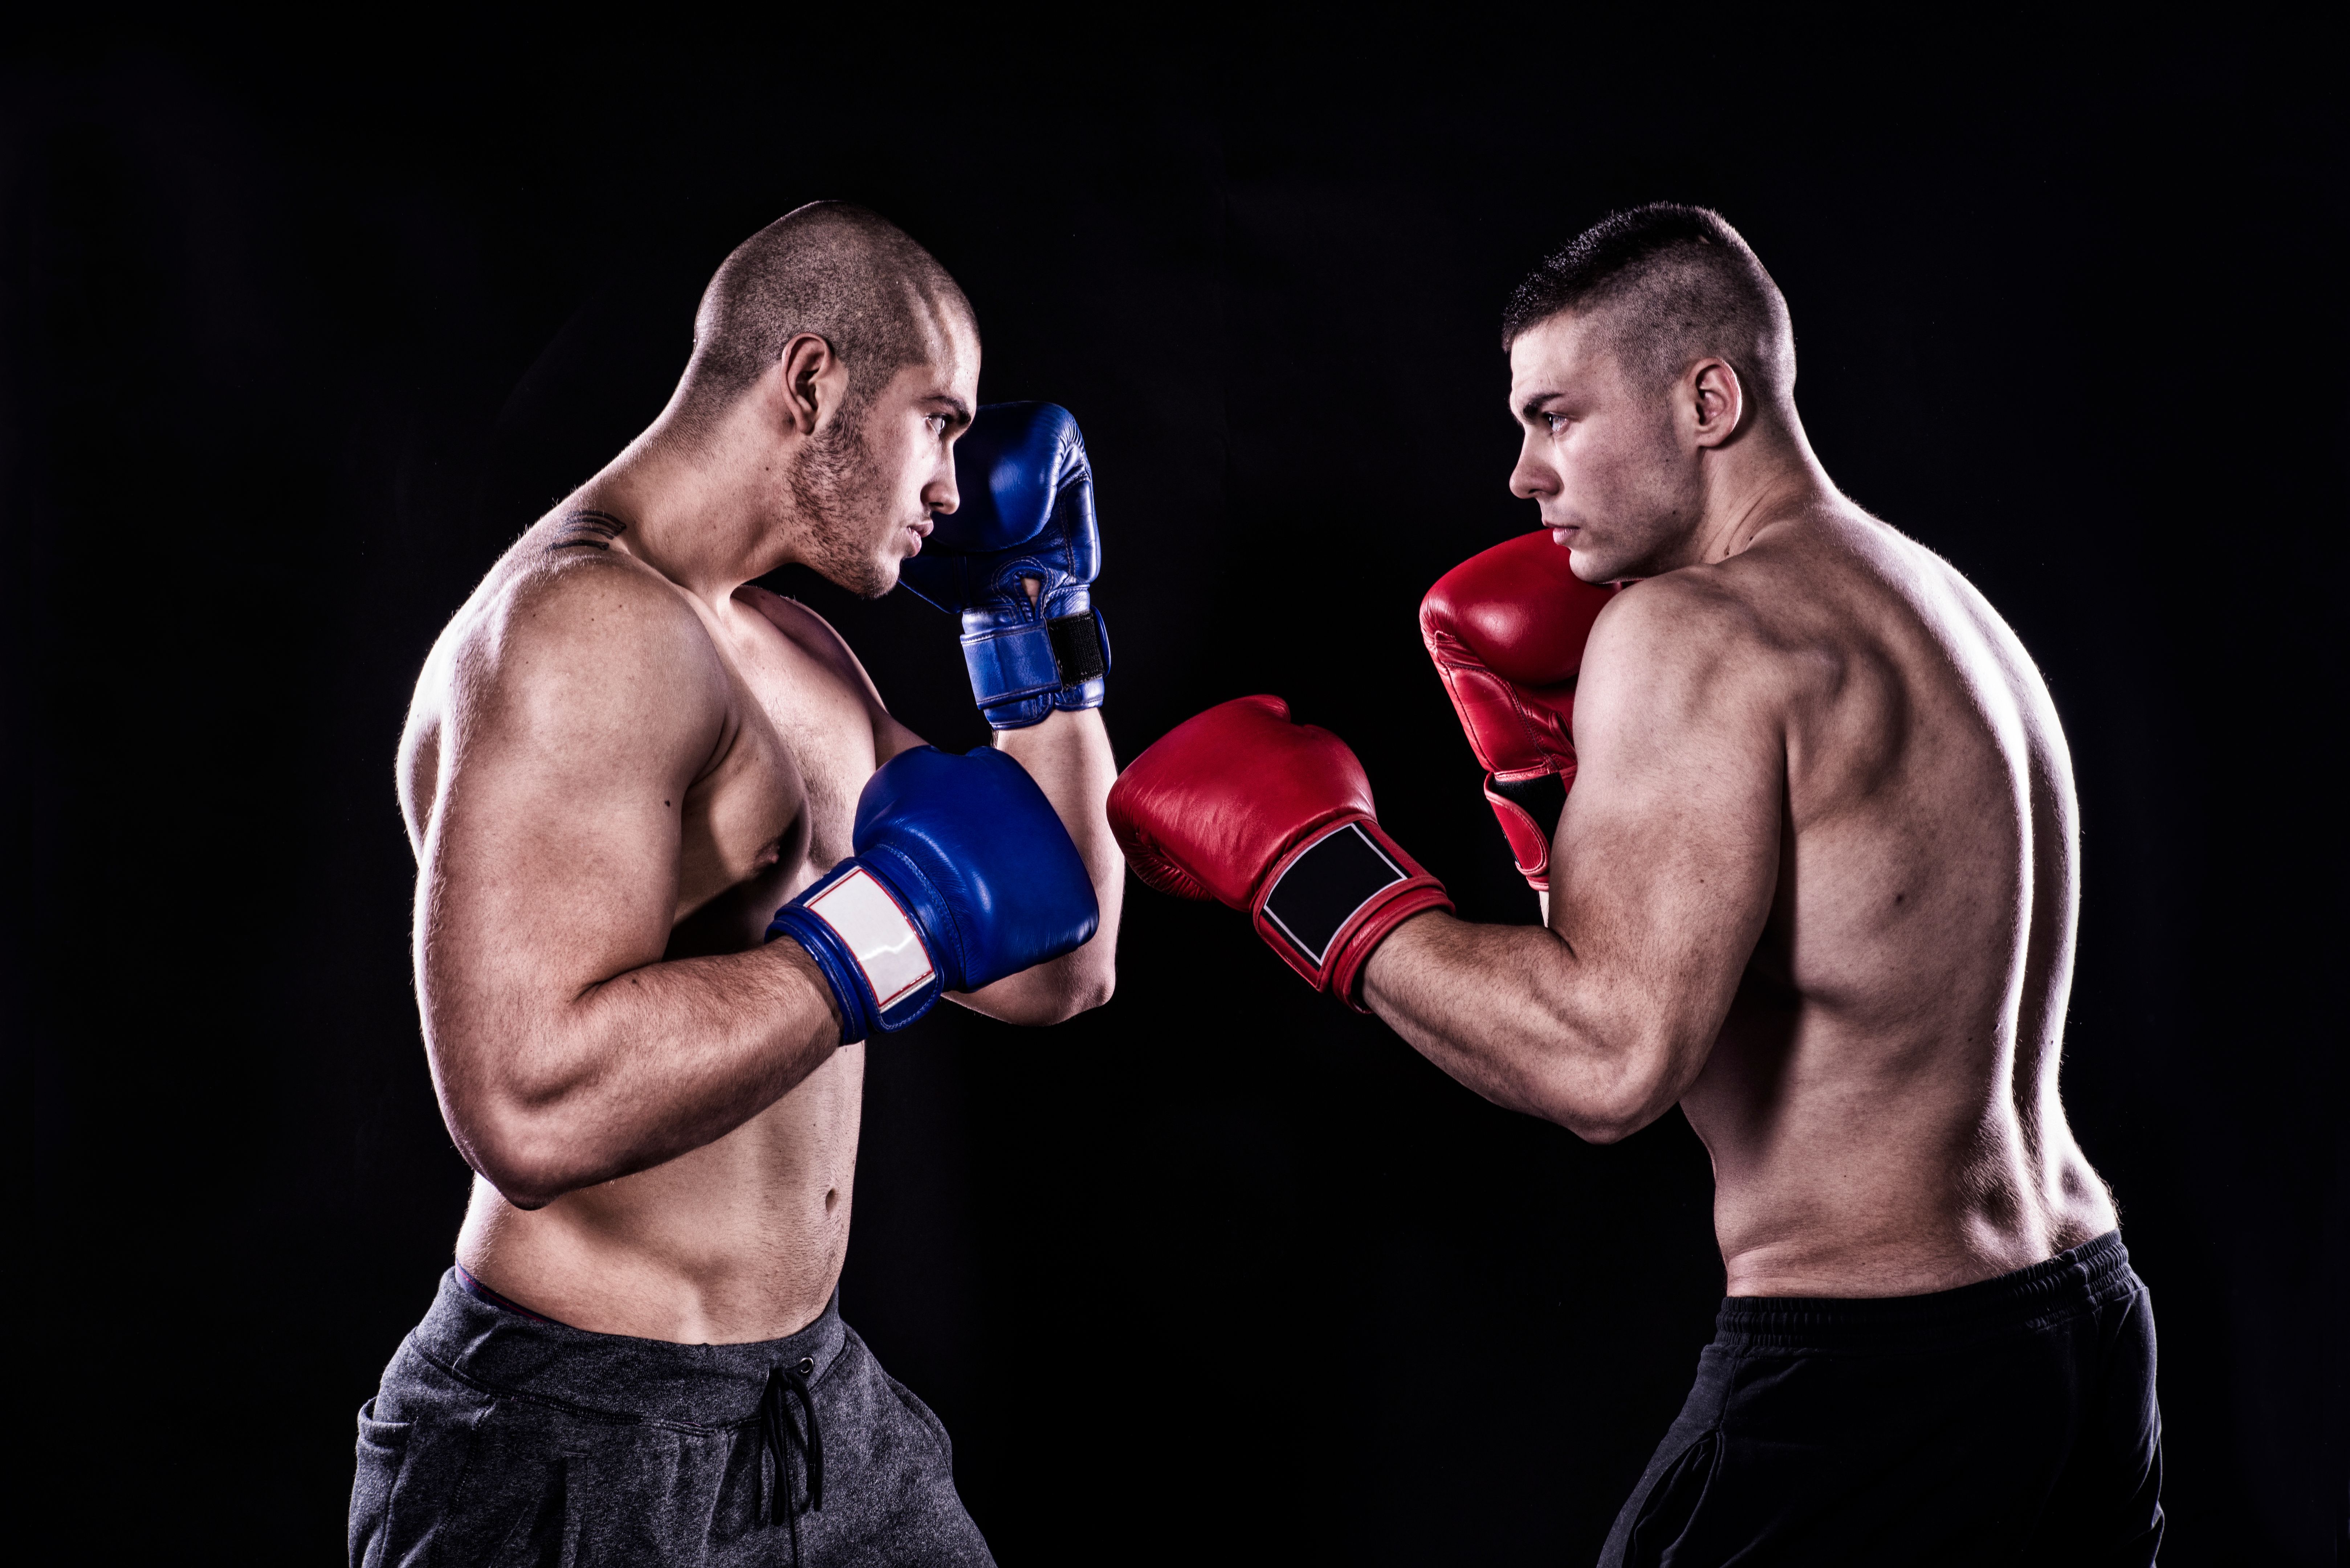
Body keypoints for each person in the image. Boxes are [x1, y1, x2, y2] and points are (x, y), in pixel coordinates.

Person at [1106, 204, 2160, 1563]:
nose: (1523, 473)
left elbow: (1606, 1062)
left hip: (1868, 1371)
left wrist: (1305, 873)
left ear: (1707, 397)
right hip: (2077, 1326)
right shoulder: (1938, 604)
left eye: (1556, 416)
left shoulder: (1691, 633)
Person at [351, 202, 1124, 1568]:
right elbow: (525, 1110)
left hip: (812, 1402)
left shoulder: (794, 646)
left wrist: (1032, 636)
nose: (951, 487)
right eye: (938, 420)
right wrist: (881, 938)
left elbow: (1056, 963)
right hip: (574, 1436)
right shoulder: (579, 625)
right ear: (812, 380)